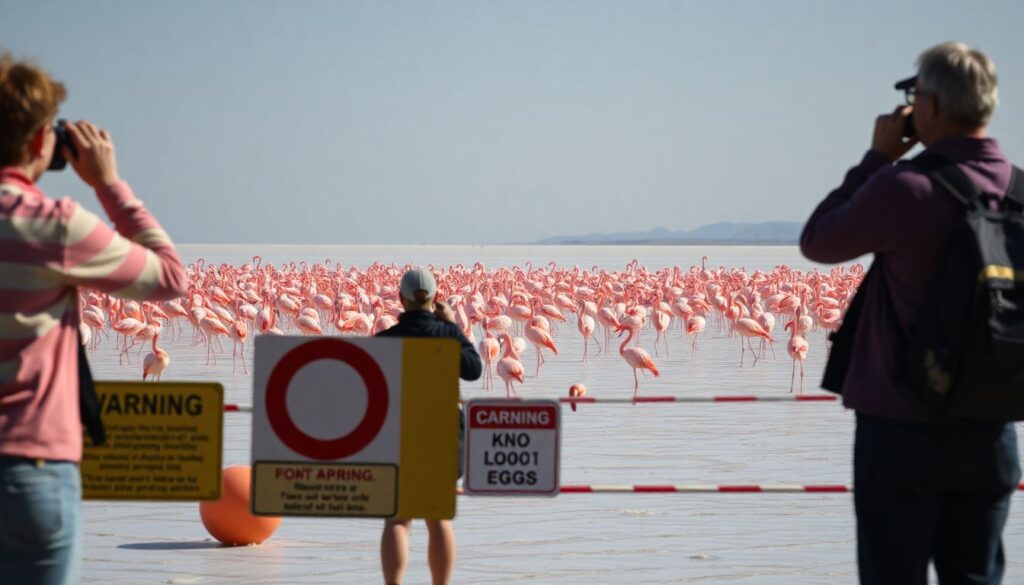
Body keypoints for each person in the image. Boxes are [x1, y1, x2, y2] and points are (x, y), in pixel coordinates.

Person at [800, 42, 1021, 584]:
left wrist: (878, 158)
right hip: (992, 429)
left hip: (901, 431)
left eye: (914, 95)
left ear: (932, 108)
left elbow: (818, 241)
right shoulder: (1021, 192)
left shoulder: (907, 187)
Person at [0, 53, 187, 584]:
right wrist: (109, 185)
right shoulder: (54, 225)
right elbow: (170, 278)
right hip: (31, 468)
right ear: (43, 142)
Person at [374, 268, 482, 585]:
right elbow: (474, 369)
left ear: (400, 300)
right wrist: (452, 325)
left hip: (398, 437)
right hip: (443, 437)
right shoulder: (447, 336)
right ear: (435, 299)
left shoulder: (384, 341)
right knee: (438, 518)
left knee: (397, 519)